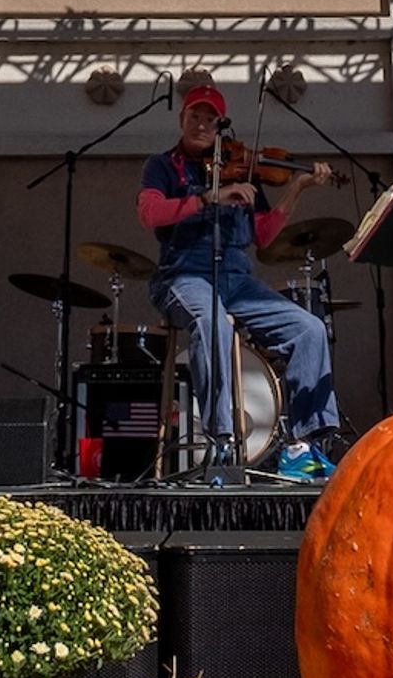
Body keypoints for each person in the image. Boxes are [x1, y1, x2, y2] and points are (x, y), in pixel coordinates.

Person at [138, 79, 340, 481]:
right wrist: (207, 198)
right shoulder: (162, 166)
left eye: (210, 119)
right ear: (182, 118)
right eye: (195, 115)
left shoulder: (241, 166)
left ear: (220, 125)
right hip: (184, 273)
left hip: (237, 278)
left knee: (310, 328)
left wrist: (297, 188)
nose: (201, 124)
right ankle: (223, 442)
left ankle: (301, 446)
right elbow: (150, 213)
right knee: (214, 322)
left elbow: (263, 236)